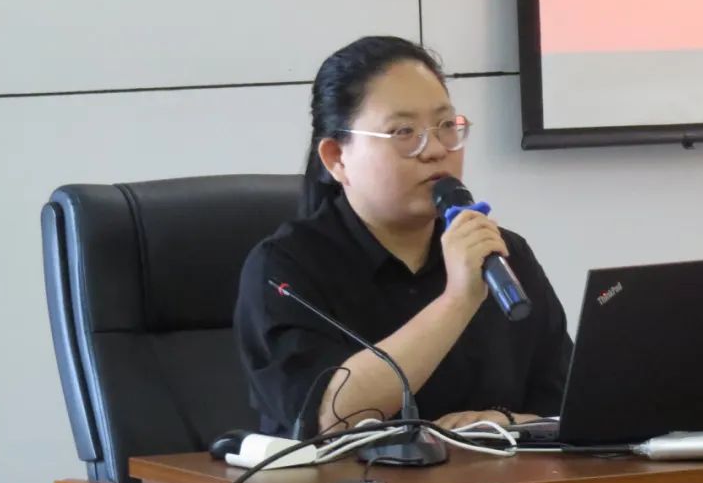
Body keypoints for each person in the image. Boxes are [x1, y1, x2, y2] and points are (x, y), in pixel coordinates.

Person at [234, 35, 572, 437]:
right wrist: (457, 300)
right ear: (337, 158)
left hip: (495, 476)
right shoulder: (283, 272)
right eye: (404, 132)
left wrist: (510, 424)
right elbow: (328, 417)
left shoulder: (500, 253)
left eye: (446, 126)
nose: (436, 150)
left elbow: (569, 408)